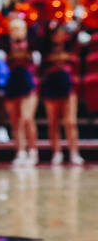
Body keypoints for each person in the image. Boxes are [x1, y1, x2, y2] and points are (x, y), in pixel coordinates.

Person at [0, 16, 38, 167]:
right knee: (15, 122)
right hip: (12, 84)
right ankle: (20, 151)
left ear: (25, 29)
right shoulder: (5, 45)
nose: (16, 31)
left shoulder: (32, 43)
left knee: (27, 119)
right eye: (13, 28)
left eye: (19, 28)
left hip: (28, 85)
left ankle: (33, 150)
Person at [40, 22, 83, 166]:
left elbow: (78, 29)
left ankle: (74, 152)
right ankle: (56, 152)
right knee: (53, 122)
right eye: (57, 33)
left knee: (70, 122)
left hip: (68, 88)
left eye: (62, 33)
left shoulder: (71, 46)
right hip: (51, 87)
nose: (60, 35)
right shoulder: (45, 48)